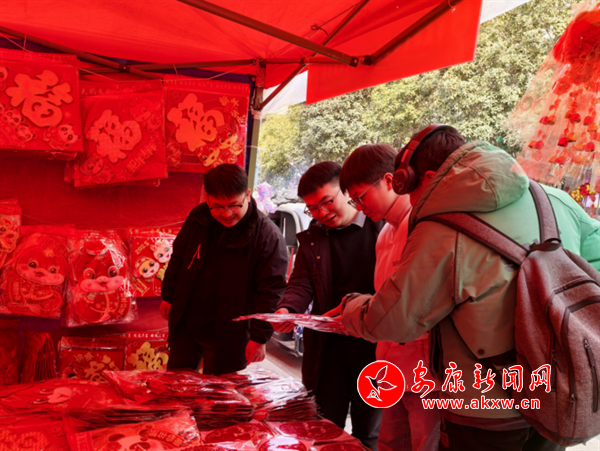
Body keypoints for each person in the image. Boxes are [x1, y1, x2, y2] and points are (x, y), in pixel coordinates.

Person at [338, 125, 600, 451]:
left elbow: (393, 321)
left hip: (482, 407)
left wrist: (351, 307)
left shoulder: (439, 229)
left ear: (429, 177)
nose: (412, 202)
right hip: (555, 397)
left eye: (411, 191)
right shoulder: (555, 200)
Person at [272, 161, 383, 450]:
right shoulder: (315, 235)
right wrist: (287, 309)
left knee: (370, 432)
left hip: (376, 350)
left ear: (346, 191)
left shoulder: (383, 227)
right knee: (323, 427)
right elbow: (301, 281)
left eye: (327, 202)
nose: (322, 213)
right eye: (313, 208)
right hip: (329, 350)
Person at [339, 143, 440, 451]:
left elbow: (416, 304)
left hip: (426, 374)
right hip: (390, 368)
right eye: (353, 200)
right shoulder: (384, 233)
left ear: (388, 181)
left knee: (423, 444)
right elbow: (387, 299)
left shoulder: (422, 226)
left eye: (360, 196)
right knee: (389, 443)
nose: (358, 207)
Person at [160, 164, 288, 375]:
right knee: (177, 383)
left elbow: (271, 290)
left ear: (247, 195)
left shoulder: (267, 236)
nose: (227, 214)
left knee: (220, 392)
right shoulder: (199, 217)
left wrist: (259, 337)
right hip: (187, 325)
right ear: (207, 198)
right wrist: (169, 296)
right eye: (218, 206)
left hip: (230, 334)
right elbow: (179, 257)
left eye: (234, 205)